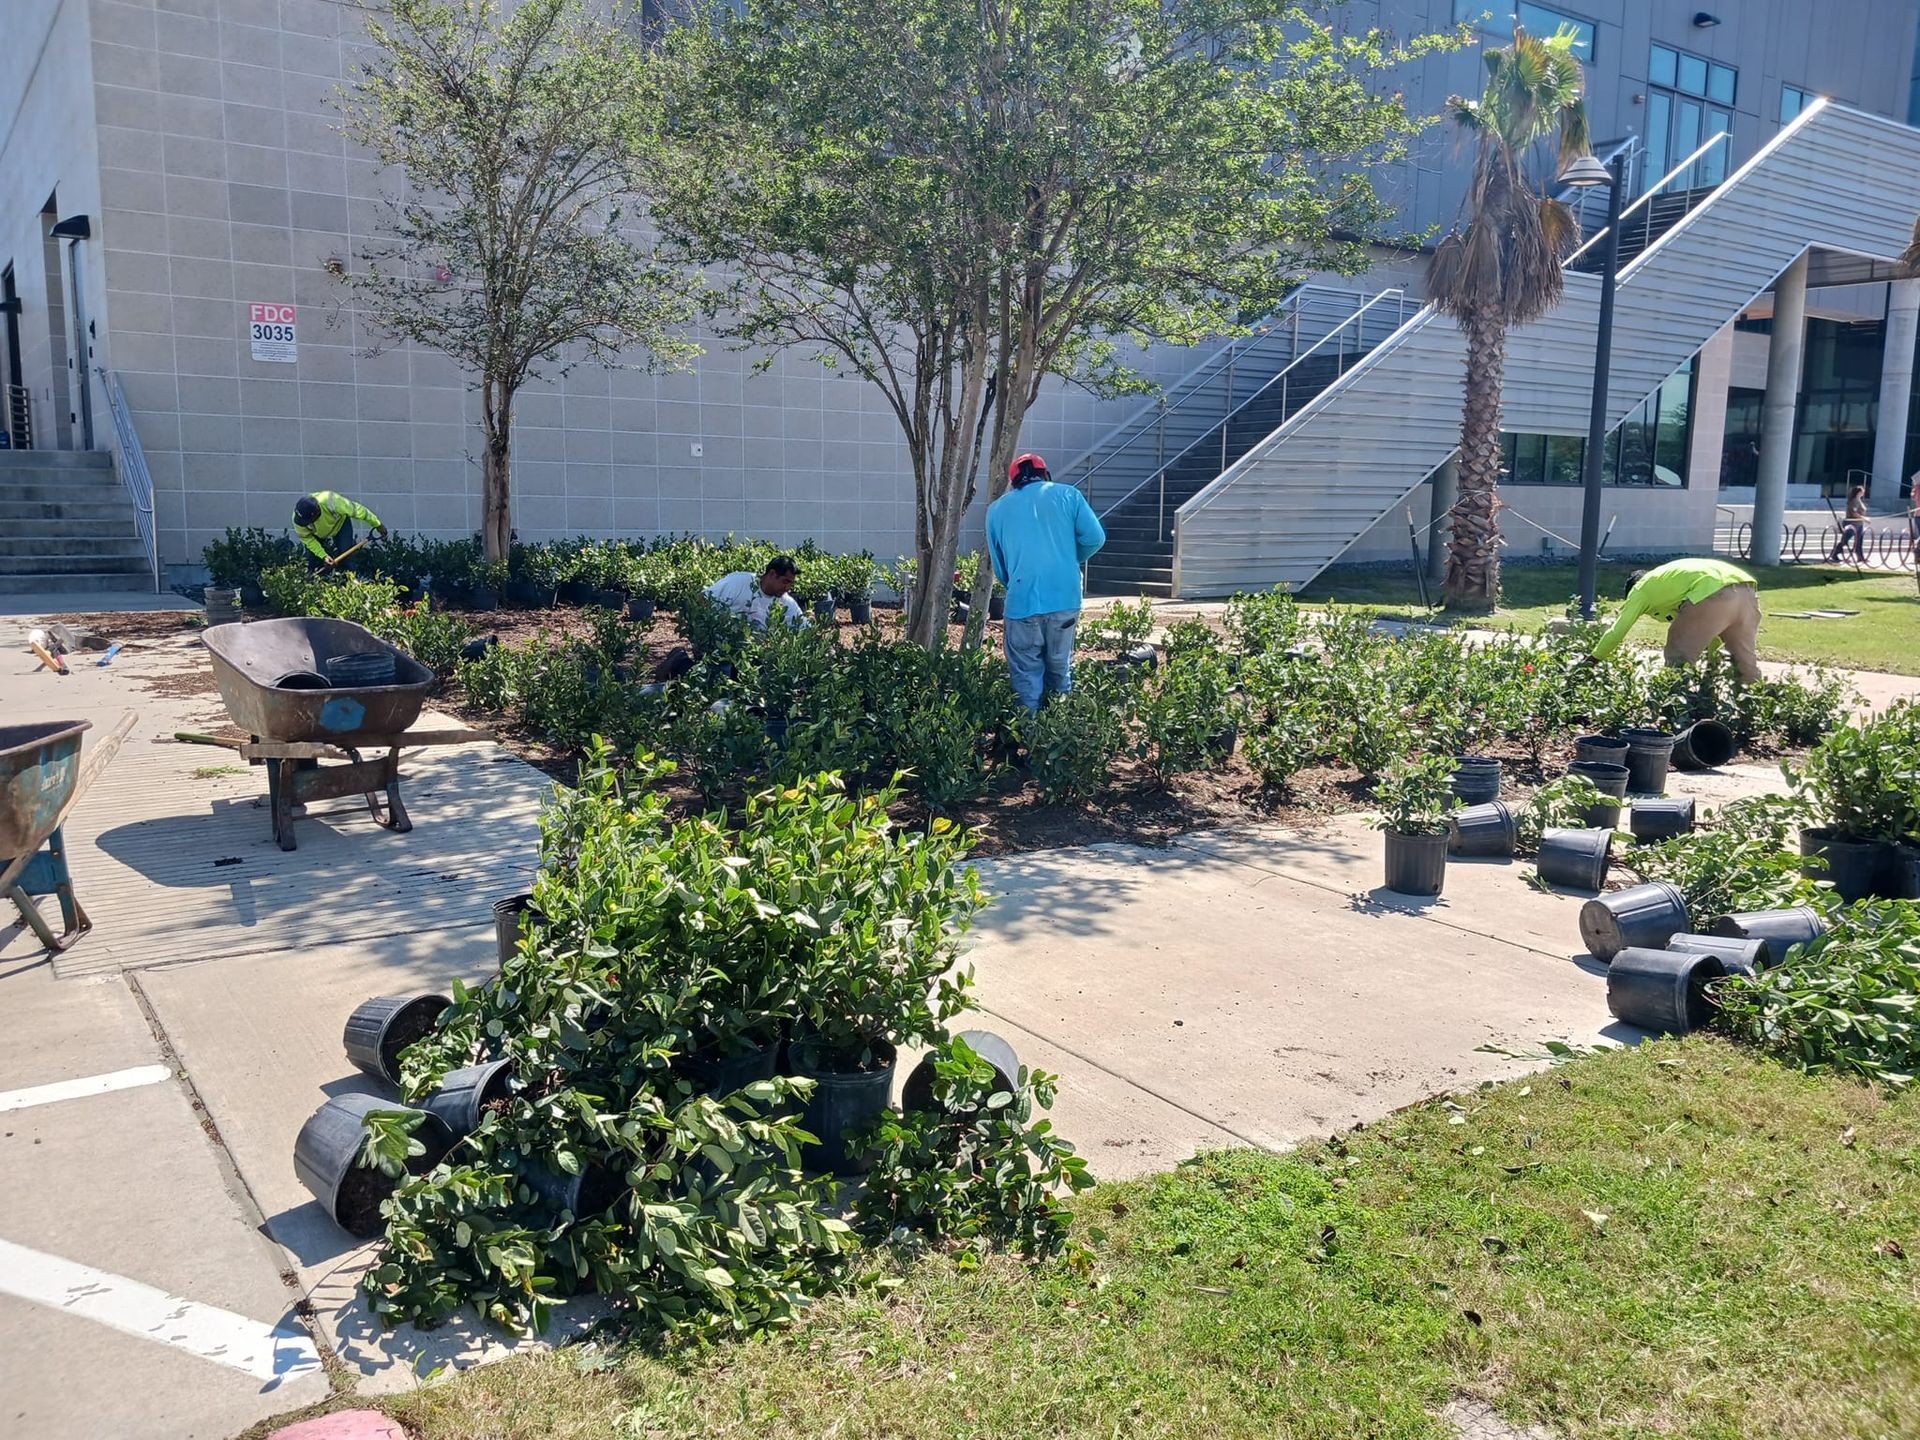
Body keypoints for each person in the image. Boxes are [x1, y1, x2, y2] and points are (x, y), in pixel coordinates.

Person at [986, 452, 1106, 711]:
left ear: (1014, 481)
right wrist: (1069, 560)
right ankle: (1059, 738)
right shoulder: (1069, 496)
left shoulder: (996, 510)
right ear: (1045, 474)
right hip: (1065, 599)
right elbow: (1095, 539)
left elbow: (1000, 566)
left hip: (1022, 602)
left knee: (1026, 678)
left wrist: (1016, 584)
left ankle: (1030, 741)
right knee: (1060, 669)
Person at [1591, 556, 1763, 684]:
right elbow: (1714, 632)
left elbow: (1617, 630)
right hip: (1746, 590)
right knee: (1744, 664)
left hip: (1711, 591)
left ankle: (1675, 713)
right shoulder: (1667, 578)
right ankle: (1750, 713)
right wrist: (1711, 670)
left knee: (1678, 656)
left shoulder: (1640, 589)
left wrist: (1592, 661)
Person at [704, 555, 806, 630]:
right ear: (772, 574)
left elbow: (804, 627)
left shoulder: (786, 602)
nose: (788, 587)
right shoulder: (738, 581)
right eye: (785, 581)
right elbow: (703, 599)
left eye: (791, 584)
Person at [293, 491, 385, 567]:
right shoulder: (298, 519)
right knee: (309, 560)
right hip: (317, 534)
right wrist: (324, 556)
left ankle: (353, 580)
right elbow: (307, 539)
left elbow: (358, 511)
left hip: (340, 525)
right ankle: (308, 581)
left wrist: (377, 524)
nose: (307, 523)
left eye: (309, 521)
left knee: (347, 555)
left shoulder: (332, 501)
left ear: (317, 513)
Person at [1827, 484, 1868, 563]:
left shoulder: (1858, 500)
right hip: (1852, 523)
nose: (1863, 493)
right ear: (1858, 492)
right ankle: (1835, 553)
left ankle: (1860, 556)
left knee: (1859, 540)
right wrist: (1864, 518)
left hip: (1859, 523)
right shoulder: (1854, 501)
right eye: (1862, 491)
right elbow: (1854, 513)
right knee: (1845, 539)